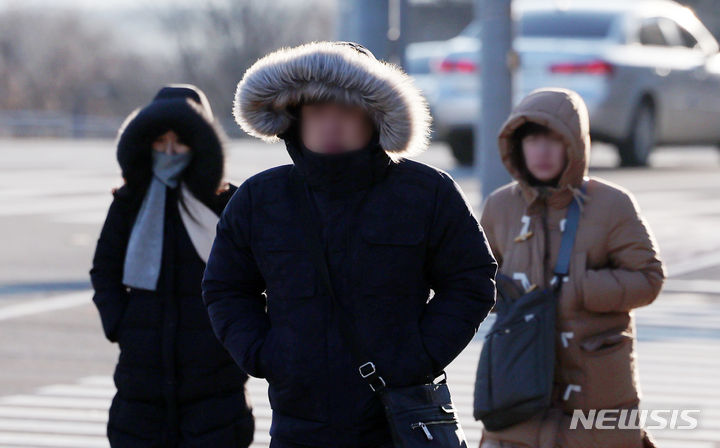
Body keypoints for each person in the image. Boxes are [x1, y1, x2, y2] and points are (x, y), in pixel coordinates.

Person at [202, 41, 498, 448]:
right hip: (298, 419)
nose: (332, 124)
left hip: (396, 414)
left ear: (374, 117)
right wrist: (266, 354)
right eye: (318, 111)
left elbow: (471, 280)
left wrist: (420, 355)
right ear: (294, 119)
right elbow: (226, 288)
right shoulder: (260, 198)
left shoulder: (427, 192)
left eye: (346, 111)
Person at [475, 87, 666, 448]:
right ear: (518, 146)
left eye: (554, 139)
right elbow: (478, 280)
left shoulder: (612, 204)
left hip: (596, 386)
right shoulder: (500, 206)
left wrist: (577, 288)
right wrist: (511, 298)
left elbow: (649, 278)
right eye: (533, 140)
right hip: (518, 381)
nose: (542, 151)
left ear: (574, 145)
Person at [89, 84, 254, 447]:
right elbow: (104, 269)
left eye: (178, 142)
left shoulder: (228, 203)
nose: (168, 152)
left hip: (215, 379)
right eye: (159, 142)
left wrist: (236, 335)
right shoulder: (130, 202)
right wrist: (120, 323)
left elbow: (255, 279)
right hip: (141, 376)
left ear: (200, 144)